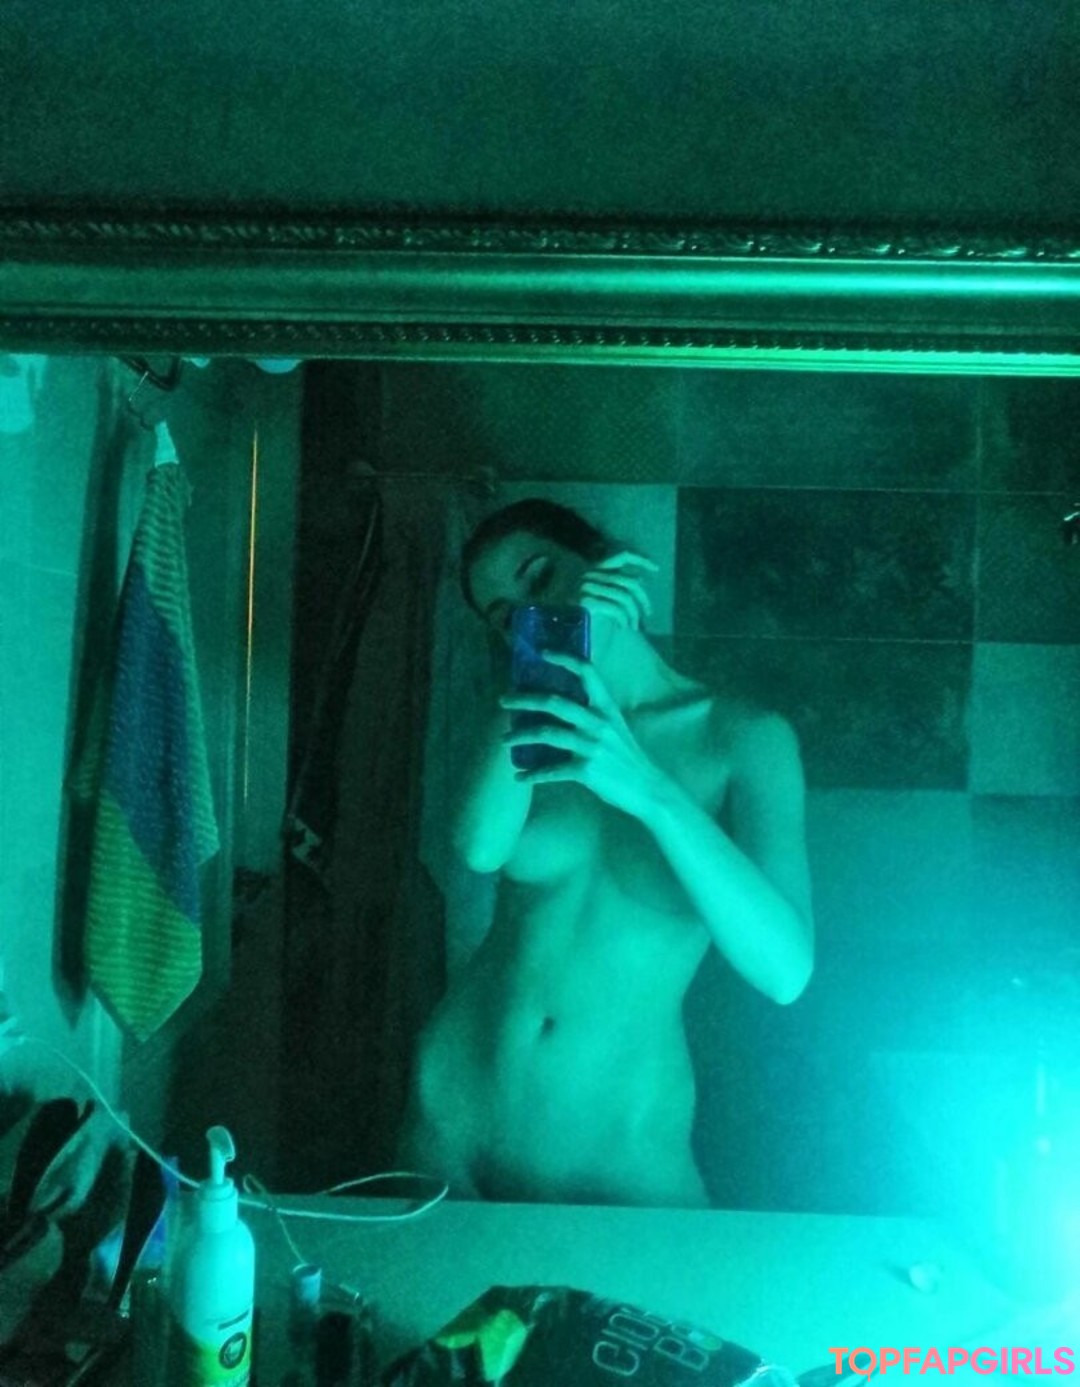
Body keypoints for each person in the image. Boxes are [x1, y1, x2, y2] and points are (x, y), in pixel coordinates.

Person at [398, 499, 813, 1206]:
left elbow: (786, 969)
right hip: (453, 1114)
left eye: (540, 578)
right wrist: (547, 667)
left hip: (622, 1151)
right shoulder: (526, 717)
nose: (533, 613)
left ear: (606, 558)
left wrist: (648, 789)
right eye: (506, 617)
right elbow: (478, 847)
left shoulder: (743, 738)